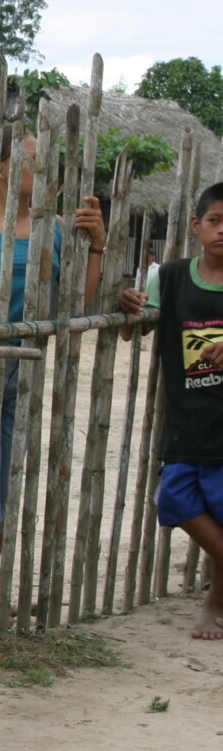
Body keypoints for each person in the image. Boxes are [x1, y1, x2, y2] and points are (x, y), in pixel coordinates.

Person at [0, 131, 107, 622]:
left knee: (4, 483)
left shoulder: (58, 229)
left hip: (27, 372)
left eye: (44, 163)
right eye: (28, 160)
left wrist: (97, 245)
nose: (40, 170)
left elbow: (74, 305)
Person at [120, 182, 223, 640]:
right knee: (174, 499)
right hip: (186, 422)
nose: (222, 231)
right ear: (196, 225)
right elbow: (135, 331)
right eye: (216, 221)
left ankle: (214, 605)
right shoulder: (172, 276)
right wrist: (130, 307)